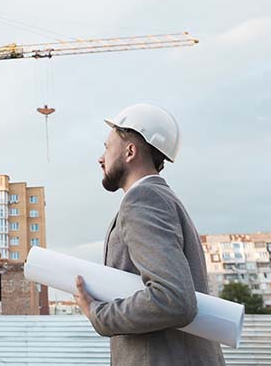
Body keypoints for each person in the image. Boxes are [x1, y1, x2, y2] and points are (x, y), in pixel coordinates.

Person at [74, 104, 225, 366]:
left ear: (130, 151)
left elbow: (173, 300)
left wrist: (97, 313)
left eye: (107, 148)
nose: (101, 158)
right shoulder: (162, 199)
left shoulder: (144, 200)